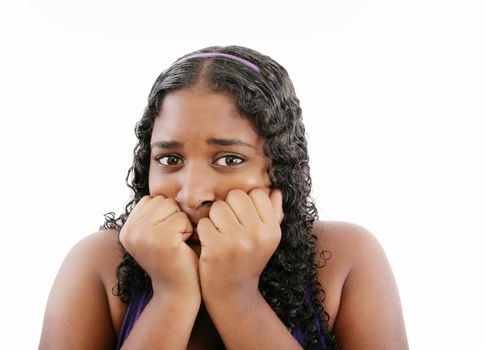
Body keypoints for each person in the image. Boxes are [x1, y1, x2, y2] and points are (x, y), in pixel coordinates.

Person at [39, 45, 408, 349]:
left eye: (229, 159)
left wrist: (236, 295)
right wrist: (171, 296)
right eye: (170, 159)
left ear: (278, 167)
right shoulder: (97, 264)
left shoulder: (346, 260)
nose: (192, 193)